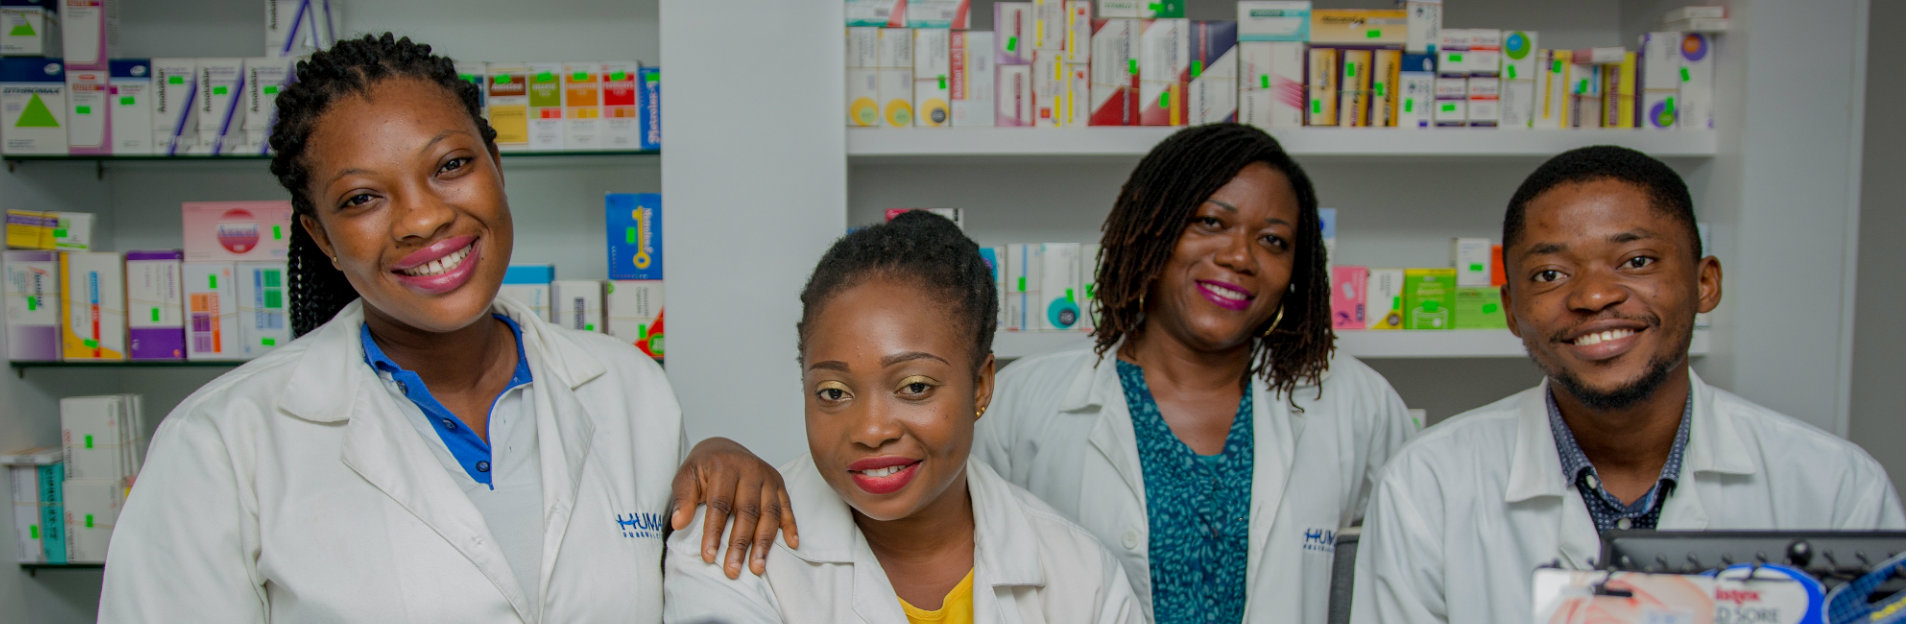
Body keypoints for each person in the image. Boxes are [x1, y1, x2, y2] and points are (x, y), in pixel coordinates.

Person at [98, 34, 796, 622]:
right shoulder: (221, 444)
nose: (423, 218)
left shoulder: (627, 388)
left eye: (452, 165)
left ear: (497, 166)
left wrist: (728, 468)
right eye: (362, 198)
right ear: (321, 237)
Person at [1348, 145, 1906, 624]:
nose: (1594, 296)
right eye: (1549, 274)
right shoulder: (1429, 484)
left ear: (1705, 283)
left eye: (1636, 260)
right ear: (1512, 310)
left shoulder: (1835, 486)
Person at [975, 123, 1417, 623]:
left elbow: (1407, 578)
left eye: (1273, 240)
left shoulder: (1357, 403)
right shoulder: (1023, 402)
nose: (1239, 256)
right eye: (1210, 222)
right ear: (1151, 227)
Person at [663, 211, 1142, 623]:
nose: (872, 430)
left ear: (980, 385)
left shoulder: (1081, 575)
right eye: (833, 392)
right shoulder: (727, 548)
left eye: (914, 387)